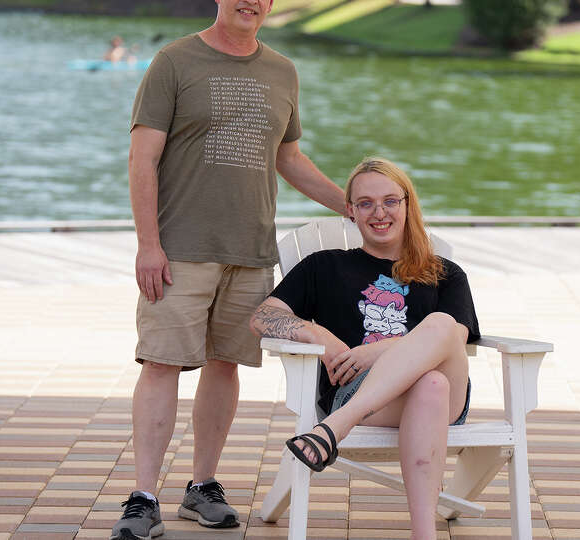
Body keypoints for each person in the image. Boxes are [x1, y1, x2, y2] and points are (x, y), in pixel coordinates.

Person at [111, 0, 346, 538]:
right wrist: (149, 244)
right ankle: (143, 496)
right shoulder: (174, 61)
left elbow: (288, 158)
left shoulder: (282, 70)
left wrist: (350, 205)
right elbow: (141, 157)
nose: (251, 1)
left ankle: (202, 486)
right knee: (161, 363)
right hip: (180, 250)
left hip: (250, 251)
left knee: (225, 365)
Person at [249, 157, 479, 540]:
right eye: (366, 203)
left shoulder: (444, 273)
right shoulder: (324, 266)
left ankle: (332, 431)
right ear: (351, 211)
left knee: (442, 334)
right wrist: (315, 334)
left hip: (438, 397)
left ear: (408, 205)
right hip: (361, 393)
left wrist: (378, 351)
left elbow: (456, 338)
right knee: (431, 387)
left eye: (391, 201)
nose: (379, 213)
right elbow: (262, 317)